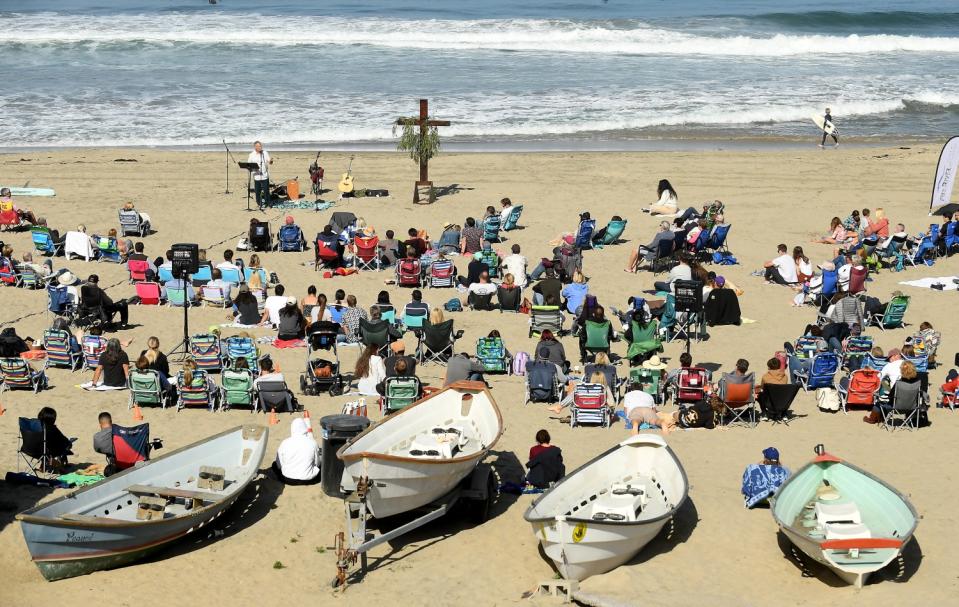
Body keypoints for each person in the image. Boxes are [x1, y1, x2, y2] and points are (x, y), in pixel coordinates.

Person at [273, 417, 320, 485]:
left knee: (274, 465)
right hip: (308, 480)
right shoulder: (313, 442)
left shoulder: (285, 442)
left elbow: (279, 464)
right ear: (305, 428)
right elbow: (317, 463)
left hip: (287, 479)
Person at [36, 406, 74, 471]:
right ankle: (60, 465)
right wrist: (69, 443)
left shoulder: (34, 427)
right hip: (50, 452)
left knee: (45, 445)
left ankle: (42, 467)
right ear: (52, 420)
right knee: (67, 445)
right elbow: (64, 440)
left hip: (33, 450)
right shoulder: (53, 429)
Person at [248, 140, 273, 208]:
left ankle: (268, 202)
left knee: (266, 190)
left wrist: (271, 161)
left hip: (264, 175)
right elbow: (249, 165)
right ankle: (259, 203)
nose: (260, 147)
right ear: (255, 147)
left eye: (260, 146)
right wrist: (252, 168)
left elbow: (269, 161)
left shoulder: (265, 152)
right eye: (258, 146)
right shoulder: (251, 155)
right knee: (257, 191)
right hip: (256, 175)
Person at [93, 412, 118, 476]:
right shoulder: (120, 431)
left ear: (100, 424)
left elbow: (97, 449)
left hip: (115, 464)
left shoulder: (97, 437)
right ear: (111, 421)